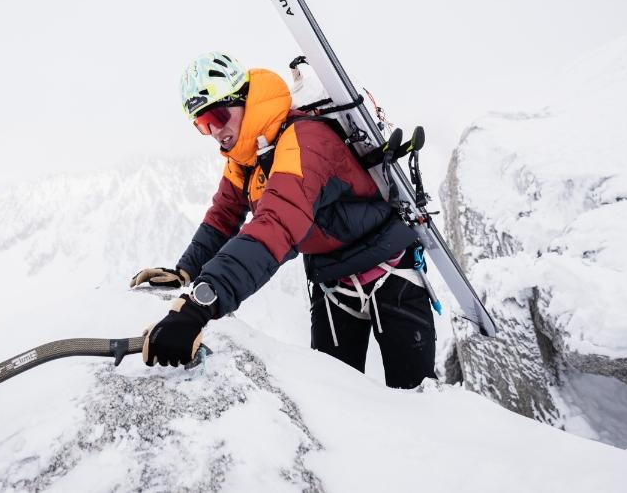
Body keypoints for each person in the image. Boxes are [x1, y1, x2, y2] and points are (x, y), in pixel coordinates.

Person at [131, 52, 438, 389]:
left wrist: (200, 303)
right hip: (333, 283)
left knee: (418, 403)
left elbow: (277, 224)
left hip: (391, 274)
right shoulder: (245, 157)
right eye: (203, 125)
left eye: (218, 115)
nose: (216, 131)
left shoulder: (304, 141)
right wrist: (186, 271)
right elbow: (223, 216)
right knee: (334, 406)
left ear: (246, 100)